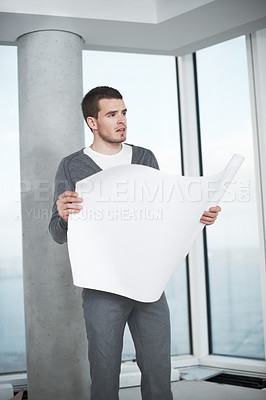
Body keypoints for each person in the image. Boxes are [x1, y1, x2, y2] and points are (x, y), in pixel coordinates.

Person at [49, 86, 221, 400]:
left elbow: (163, 216)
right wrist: (63, 215)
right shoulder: (71, 166)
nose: (121, 120)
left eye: (124, 112)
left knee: (158, 375)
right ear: (92, 121)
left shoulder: (144, 158)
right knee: (104, 379)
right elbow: (58, 233)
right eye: (112, 114)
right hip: (103, 288)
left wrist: (199, 216)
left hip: (149, 286)